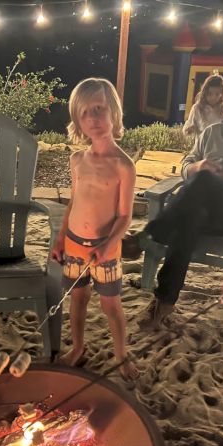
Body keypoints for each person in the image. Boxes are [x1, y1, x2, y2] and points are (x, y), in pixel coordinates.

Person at [123, 80, 223, 327]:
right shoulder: (213, 132)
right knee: (191, 215)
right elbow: (186, 165)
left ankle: (147, 236)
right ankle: (164, 301)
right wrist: (199, 166)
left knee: (204, 181)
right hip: (200, 210)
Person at [51, 77, 138, 379]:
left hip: (106, 249)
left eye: (99, 109)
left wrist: (107, 244)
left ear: (114, 111)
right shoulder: (77, 160)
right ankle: (77, 348)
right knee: (78, 298)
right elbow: (73, 204)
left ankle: (121, 354)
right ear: (78, 119)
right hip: (74, 245)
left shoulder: (123, 165)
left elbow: (125, 217)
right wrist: (60, 239)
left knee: (110, 305)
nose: (94, 118)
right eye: (85, 112)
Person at [183, 74, 223, 139]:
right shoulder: (197, 107)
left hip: (217, 145)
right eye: (210, 94)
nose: (213, 97)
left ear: (222, 94)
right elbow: (188, 125)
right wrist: (189, 129)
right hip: (200, 144)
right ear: (204, 93)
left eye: (217, 94)